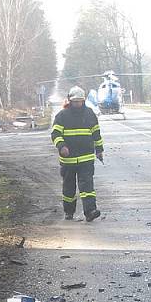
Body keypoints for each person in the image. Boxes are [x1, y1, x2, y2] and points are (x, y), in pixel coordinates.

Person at [51, 86, 104, 222]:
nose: (78, 104)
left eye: (80, 101)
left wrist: (99, 150)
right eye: (75, 102)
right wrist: (61, 146)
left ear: (84, 100)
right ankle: (69, 212)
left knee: (87, 187)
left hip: (86, 159)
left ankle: (90, 211)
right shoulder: (62, 116)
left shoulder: (89, 114)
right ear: (70, 101)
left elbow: (96, 133)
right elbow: (55, 134)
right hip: (68, 161)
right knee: (69, 188)